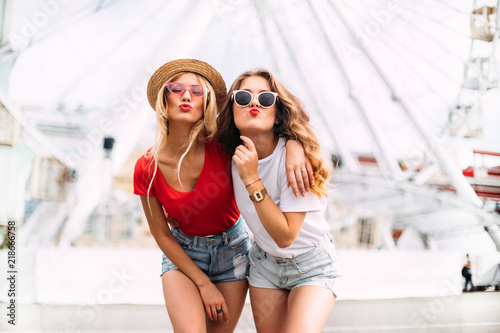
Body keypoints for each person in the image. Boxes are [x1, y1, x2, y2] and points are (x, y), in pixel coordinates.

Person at [133, 59, 313, 332]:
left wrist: (296, 146)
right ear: (163, 99)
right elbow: (161, 234)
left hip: (233, 252)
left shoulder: (225, 144)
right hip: (182, 254)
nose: (186, 95)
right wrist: (204, 285)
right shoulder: (146, 167)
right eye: (177, 88)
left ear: (206, 103)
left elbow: (272, 126)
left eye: (196, 91)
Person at [217, 68, 341, 332]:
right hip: (264, 265)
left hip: (312, 265)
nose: (253, 103)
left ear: (276, 114)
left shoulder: (298, 160)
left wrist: (252, 178)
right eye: (242, 97)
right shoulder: (228, 156)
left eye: (265, 99)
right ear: (232, 110)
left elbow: (285, 236)